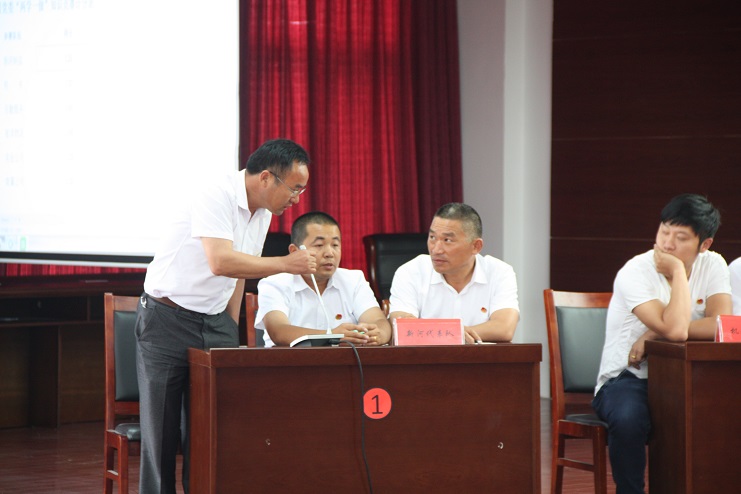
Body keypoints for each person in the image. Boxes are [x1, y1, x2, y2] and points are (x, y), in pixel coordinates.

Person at [135, 138, 316, 494]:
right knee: (162, 435)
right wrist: (285, 264)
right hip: (167, 320)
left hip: (215, 323)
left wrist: (229, 329)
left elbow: (240, 273)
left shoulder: (263, 211)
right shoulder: (215, 194)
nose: (297, 199)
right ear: (266, 178)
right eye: (294, 188)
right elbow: (220, 262)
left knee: (211, 431)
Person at [592, 193, 732, 494]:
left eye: (681, 238)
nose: (667, 244)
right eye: (664, 231)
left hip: (684, 377)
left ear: (704, 244)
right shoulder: (636, 270)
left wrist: (653, 334)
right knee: (628, 419)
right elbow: (677, 330)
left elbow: (721, 325)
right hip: (627, 378)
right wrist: (679, 271)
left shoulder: (714, 264)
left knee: (723, 411)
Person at [388, 202, 519, 343]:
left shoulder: (500, 272)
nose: (436, 249)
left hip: (482, 357)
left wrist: (454, 334)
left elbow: (504, 328)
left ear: (476, 246)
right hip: (427, 357)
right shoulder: (410, 272)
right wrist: (455, 333)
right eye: (432, 237)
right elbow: (402, 328)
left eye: (448, 240)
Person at [256, 211, 391, 347]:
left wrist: (377, 335)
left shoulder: (354, 280)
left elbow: (379, 321)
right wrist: (332, 336)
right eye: (319, 245)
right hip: (290, 360)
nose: (329, 253)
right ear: (294, 251)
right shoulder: (274, 284)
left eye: (335, 245)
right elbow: (279, 332)